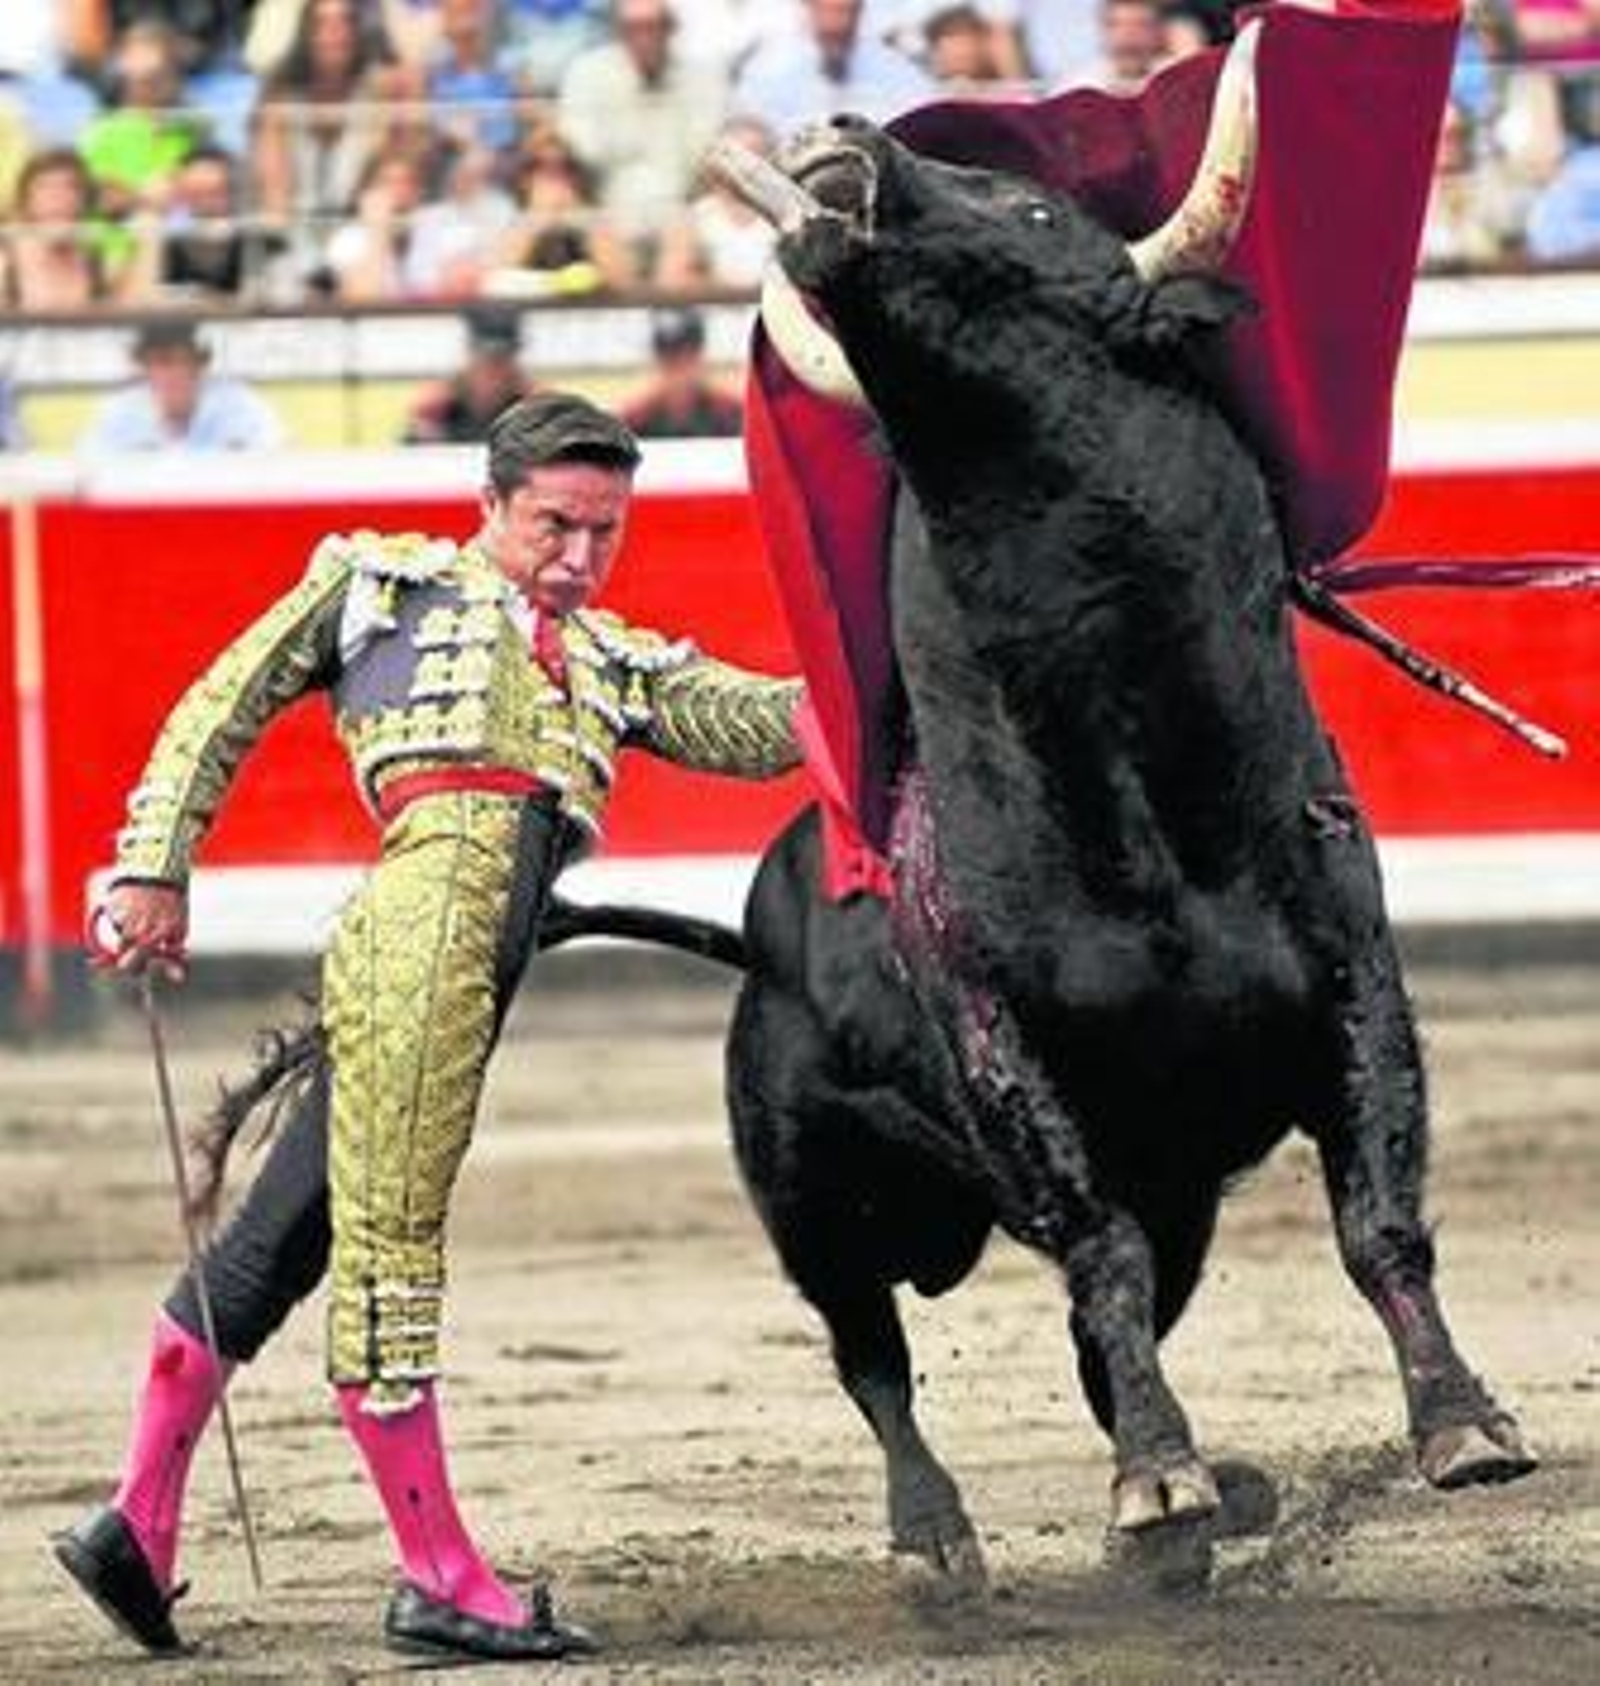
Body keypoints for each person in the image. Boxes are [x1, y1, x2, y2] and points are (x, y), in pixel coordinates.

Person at [54, 390, 805, 1663]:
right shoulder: (379, 585)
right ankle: (439, 1574)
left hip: (458, 954)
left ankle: (138, 1522)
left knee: (277, 1245)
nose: (577, 556)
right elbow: (219, 704)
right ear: (490, 505)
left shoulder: (611, 658)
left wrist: (901, 653)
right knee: (392, 1247)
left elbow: (765, 724)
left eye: (603, 533)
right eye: (554, 525)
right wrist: (150, 867)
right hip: (424, 934)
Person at [731, 0, 935, 139]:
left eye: (846, 12)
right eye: (828, 11)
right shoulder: (767, 71)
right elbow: (746, 136)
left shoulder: (898, 72)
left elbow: (921, 129)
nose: (837, 25)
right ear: (808, 9)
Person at [79, 318, 284, 451]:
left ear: (203, 364)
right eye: (163, 361)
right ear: (143, 368)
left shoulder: (241, 404)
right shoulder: (117, 413)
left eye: (189, 360)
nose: (178, 372)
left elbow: (278, 461)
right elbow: (87, 475)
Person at [402, 305, 537, 442]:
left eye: (503, 359)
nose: (495, 372)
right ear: (470, 356)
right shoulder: (438, 404)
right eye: (487, 359)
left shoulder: (534, 403)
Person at [618, 305, 743, 438]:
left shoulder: (731, 411)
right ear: (658, 358)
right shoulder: (634, 417)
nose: (679, 368)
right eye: (669, 356)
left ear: (699, 355)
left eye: (687, 355)